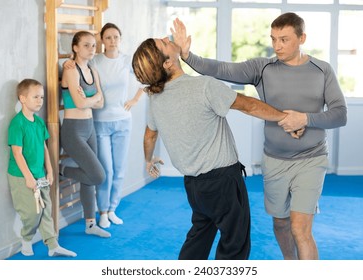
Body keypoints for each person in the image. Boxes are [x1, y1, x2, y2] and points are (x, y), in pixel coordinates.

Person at [171, 13, 347, 260]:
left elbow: (340, 115)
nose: (277, 46)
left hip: (312, 158)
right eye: (274, 39)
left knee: (301, 228)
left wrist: (305, 119)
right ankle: (290, 263)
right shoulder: (262, 68)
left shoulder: (322, 70)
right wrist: (187, 56)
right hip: (274, 160)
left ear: (302, 38)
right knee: (281, 224)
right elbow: (222, 69)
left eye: (284, 39)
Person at [131, 36, 297, 260]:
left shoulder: (155, 97)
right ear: (168, 62)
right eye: (163, 43)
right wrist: (286, 117)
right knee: (235, 244)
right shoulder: (203, 86)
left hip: (194, 186)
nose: (166, 38)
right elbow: (248, 106)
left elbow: (150, 135)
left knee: (199, 236)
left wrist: (148, 160)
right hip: (223, 183)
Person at [65, 23, 144, 228]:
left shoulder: (127, 60)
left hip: (123, 121)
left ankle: (112, 209)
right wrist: (67, 64)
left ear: (120, 39)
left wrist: (134, 100)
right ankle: (102, 212)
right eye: (108, 37)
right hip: (99, 122)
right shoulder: (95, 61)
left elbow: (146, 80)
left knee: (119, 170)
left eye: (115, 37)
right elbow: (79, 69)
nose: (112, 41)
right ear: (102, 40)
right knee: (105, 171)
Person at [7, 78, 77, 257]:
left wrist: (51, 170)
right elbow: (17, 153)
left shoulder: (38, 123)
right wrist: (29, 177)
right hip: (21, 177)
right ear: (23, 99)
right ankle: (27, 238)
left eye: (42, 97)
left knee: (47, 209)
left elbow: (44, 147)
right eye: (36, 97)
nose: (40, 101)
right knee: (32, 213)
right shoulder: (17, 123)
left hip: (41, 175)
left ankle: (53, 245)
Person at [60, 31, 110, 238]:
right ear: (75, 48)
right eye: (87, 45)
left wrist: (92, 99)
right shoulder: (70, 71)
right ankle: (62, 170)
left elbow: (101, 102)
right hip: (73, 130)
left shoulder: (93, 71)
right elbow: (82, 103)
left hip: (89, 126)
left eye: (93, 45)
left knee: (89, 178)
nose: (92, 49)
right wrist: (94, 98)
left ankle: (90, 224)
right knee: (98, 175)